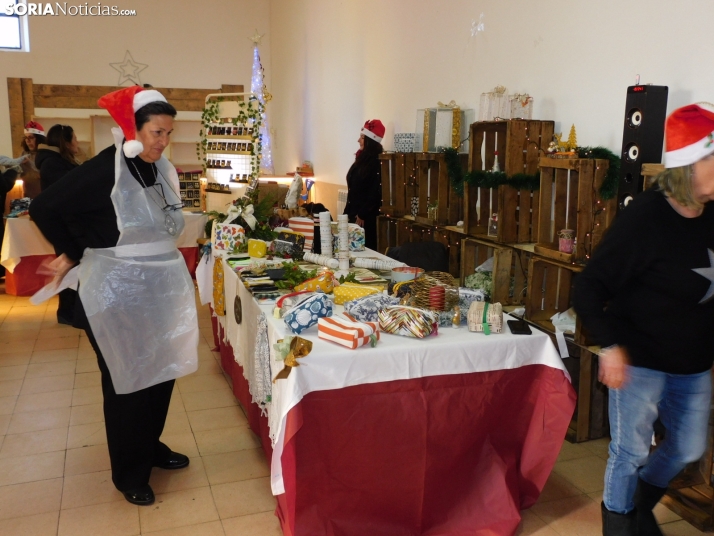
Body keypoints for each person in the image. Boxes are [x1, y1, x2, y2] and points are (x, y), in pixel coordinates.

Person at [29, 86, 199, 507]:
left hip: (158, 289)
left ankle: (149, 446)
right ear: (134, 129)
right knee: (127, 382)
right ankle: (129, 472)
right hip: (116, 293)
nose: (163, 141)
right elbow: (45, 207)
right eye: (157, 132)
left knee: (160, 373)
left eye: (168, 134)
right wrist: (72, 251)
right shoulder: (105, 169)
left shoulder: (160, 169)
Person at [573, 104, 714, 536]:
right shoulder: (645, 218)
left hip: (694, 363)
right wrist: (611, 346)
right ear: (691, 165)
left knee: (688, 447)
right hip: (641, 360)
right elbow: (589, 286)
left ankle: (639, 504)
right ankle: (620, 522)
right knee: (630, 452)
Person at [35, 124, 81, 324]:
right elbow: (69, 193)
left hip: (69, 224)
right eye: (75, 139)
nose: (77, 143)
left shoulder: (56, 162)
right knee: (69, 269)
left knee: (71, 269)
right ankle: (68, 313)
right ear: (66, 142)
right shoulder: (53, 164)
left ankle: (72, 312)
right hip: (65, 226)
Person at [344, 119, 384, 250]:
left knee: (363, 250)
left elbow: (375, 192)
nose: (358, 140)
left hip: (365, 218)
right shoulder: (361, 159)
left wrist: (362, 214)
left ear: (370, 140)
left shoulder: (376, 162)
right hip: (354, 214)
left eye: (362, 137)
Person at [36, 124, 80, 191]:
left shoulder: (61, 160)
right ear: (67, 144)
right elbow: (71, 186)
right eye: (75, 139)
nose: (77, 142)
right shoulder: (51, 164)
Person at [19, 121, 45, 199]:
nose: (28, 141)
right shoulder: (24, 153)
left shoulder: (45, 154)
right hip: (28, 196)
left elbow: (45, 175)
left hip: (43, 196)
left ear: (39, 139)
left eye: (31, 137)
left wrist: (30, 165)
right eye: (26, 138)